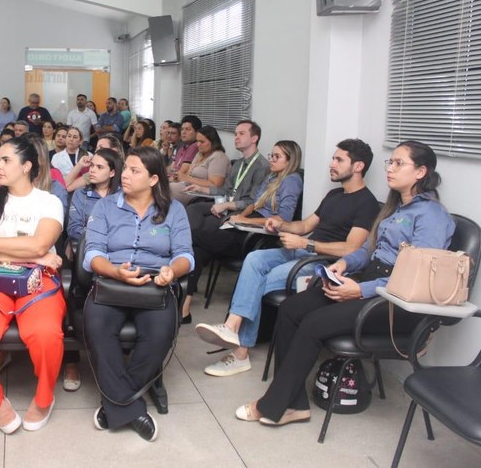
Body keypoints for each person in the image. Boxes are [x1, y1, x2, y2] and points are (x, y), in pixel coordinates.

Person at [235, 140, 455, 426]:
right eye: (391, 162)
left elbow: (418, 278)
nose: (391, 169)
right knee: (291, 308)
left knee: (313, 323)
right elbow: (368, 251)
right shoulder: (395, 209)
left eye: (400, 163)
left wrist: (360, 290)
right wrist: (344, 265)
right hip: (371, 283)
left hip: (394, 302)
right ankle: (296, 404)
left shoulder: (431, 215)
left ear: (420, 172)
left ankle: (273, 404)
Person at [195, 139, 381, 376]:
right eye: (333, 158)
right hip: (304, 251)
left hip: (323, 264)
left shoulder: (367, 203)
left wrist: (308, 244)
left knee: (264, 279)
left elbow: (352, 250)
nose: (331, 164)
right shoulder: (334, 195)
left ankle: (241, 351)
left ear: (358, 166)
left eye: (339, 160)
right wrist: (281, 224)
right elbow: (304, 225)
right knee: (255, 259)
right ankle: (232, 326)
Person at [83, 146, 194, 442]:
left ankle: (115, 406)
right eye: (125, 169)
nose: (125, 175)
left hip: (155, 283)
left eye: (135, 171)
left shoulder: (174, 210)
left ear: (154, 179)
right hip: (111, 280)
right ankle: (130, 408)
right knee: (97, 328)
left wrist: (172, 271)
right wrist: (115, 271)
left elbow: (185, 255)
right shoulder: (106, 206)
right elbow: (92, 253)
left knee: (160, 334)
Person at [0, 137, 66, 434]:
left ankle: (44, 398)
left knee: (45, 333)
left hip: (38, 280)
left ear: (27, 166)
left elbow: (41, 242)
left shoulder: (49, 201)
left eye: (6, 160)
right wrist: (35, 253)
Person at [185, 140, 303, 322]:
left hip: (256, 236)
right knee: (199, 249)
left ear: (290, 161)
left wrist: (246, 220)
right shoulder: (272, 176)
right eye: (272, 155)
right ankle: (185, 309)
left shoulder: (291, 181)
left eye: (277, 157)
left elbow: (282, 219)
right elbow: (254, 204)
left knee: (193, 237)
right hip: (244, 225)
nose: (271, 159)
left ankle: (183, 302)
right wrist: (240, 216)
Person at [181, 120, 269, 321]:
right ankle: (184, 308)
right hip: (223, 211)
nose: (236, 137)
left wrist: (229, 205)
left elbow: (254, 202)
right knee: (193, 209)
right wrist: (203, 189)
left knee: (196, 245)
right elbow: (225, 191)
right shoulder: (238, 164)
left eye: (241, 134)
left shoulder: (262, 166)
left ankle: (184, 304)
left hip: (238, 222)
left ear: (254, 138)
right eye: (236, 133)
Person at [170, 125, 230, 205]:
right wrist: (179, 177)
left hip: (204, 195)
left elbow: (216, 185)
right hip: (191, 188)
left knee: (168, 190)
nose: (198, 145)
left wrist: (188, 179)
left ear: (212, 142)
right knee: (161, 187)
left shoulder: (218, 156)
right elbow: (188, 174)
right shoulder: (200, 154)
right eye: (197, 141)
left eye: (202, 142)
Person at [169, 115, 201, 181]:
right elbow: (171, 167)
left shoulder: (195, 147)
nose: (183, 132)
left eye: (188, 129)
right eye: (182, 129)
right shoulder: (182, 147)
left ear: (197, 132)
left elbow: (181, 173)